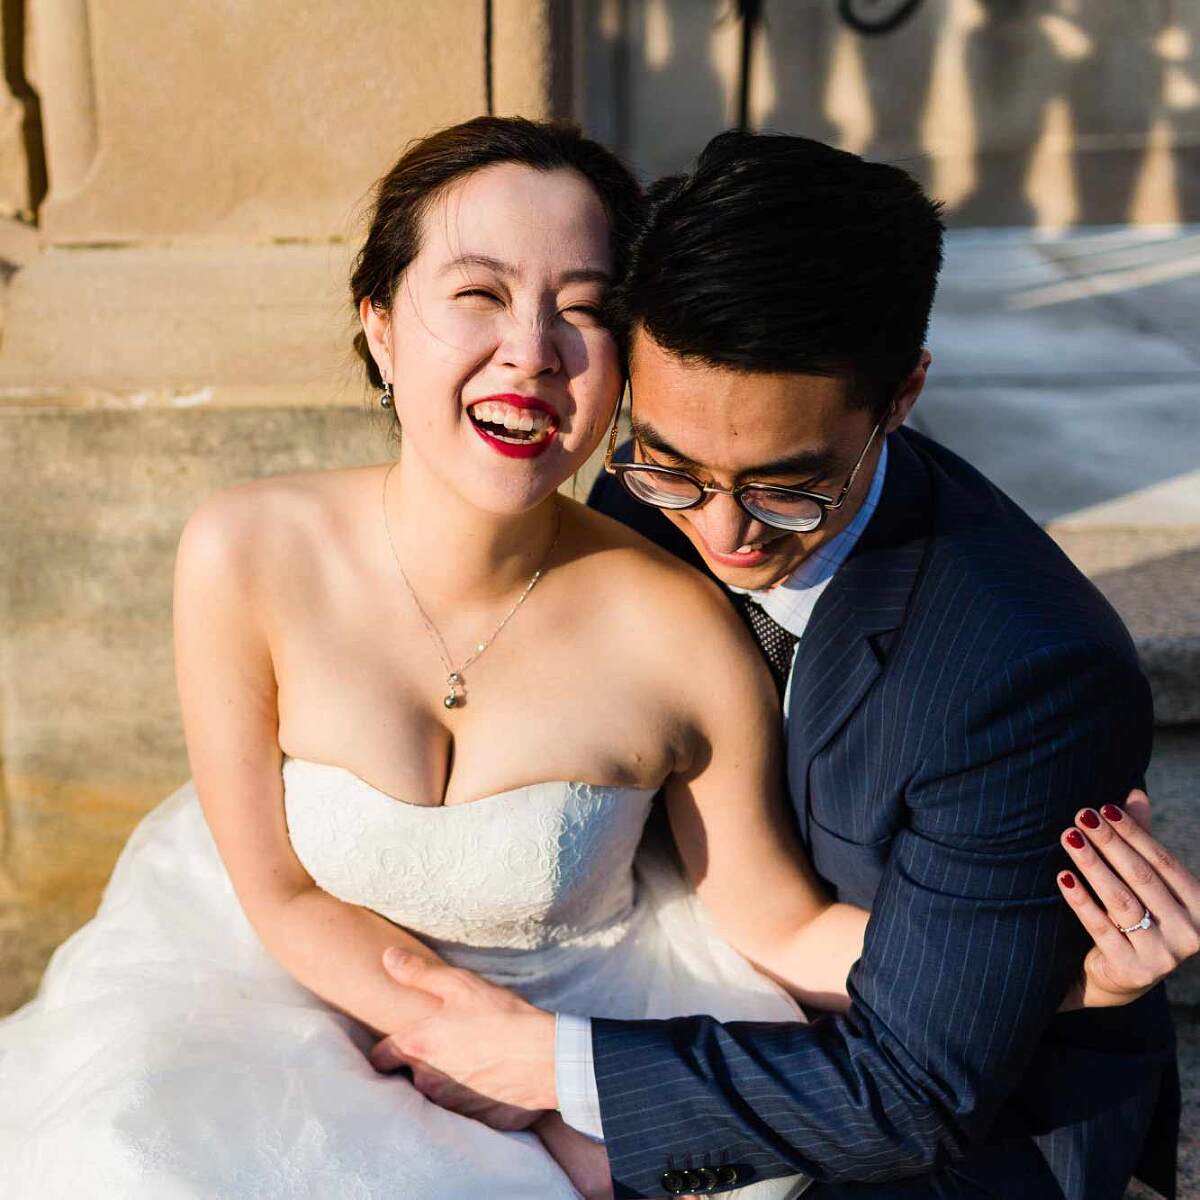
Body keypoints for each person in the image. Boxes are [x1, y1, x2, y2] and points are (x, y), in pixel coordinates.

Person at [0, 118, 1190, 1200]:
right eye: (475, 293)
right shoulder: (242, 550)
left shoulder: (711, 620)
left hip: (638, 1038)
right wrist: (453, 1030)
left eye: (579, 308)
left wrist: (1037, 974)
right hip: (288, 997)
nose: (530, 353)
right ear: (378, 320)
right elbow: (274, 888)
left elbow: (778, 929)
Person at [361, 132, 1195, 1200]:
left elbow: (917, 1091)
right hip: (664, 999)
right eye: (670, 462)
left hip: (940, 1134)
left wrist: (550, 1064)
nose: (724, 530)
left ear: (900, 397)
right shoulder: (637, 499)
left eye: (787, 487)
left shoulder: (1024, 677)